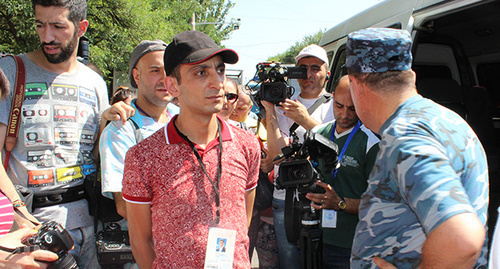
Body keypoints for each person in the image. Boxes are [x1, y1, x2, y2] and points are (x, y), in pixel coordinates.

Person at [0, 0, 134, 267]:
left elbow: (94, 157)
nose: (47, 36)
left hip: (91, 227)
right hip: (31, 229)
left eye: (58, 26)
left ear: (81, 27)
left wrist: (107, 123)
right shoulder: (10, 70)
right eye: (40, 25)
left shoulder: (95, 82)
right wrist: (20, 213)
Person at [346, 28, 488, 268]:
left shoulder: (405, 137)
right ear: (409, 75)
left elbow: (463, 239)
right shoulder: (448, 119)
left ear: (356, 85)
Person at [122, 30, 260, 268]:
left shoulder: (247, 145)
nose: (217, 82)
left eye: (220, 70)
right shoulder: (142, 157)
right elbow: (140, 240)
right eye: (200, 72)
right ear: (173, 86)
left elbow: (242, 221)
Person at [261, 44, 335, 269]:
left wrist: (306, 121)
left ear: (327, 74)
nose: (309, 75)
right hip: (286, 197)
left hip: (324, 197)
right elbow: (275, 155)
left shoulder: (337, 105)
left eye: (315, 68)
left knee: (325, 260)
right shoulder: (284, 105)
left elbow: (338, 148)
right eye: (303, 69)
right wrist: (270, 111)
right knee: (290, 262)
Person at [304, 75, 379, 268]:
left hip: (350, 245)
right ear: (332, 97)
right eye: (339, 106)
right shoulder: (316, 134)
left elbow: (379, 205)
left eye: (352, 108)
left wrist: (340, 203)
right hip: (311, 237)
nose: (344, 114)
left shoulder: (371, 143)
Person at [100, 39, 179, 219]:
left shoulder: (181, 118)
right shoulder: (121, 129)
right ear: (137, 76)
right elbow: (125, 206)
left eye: (169, 71)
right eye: (155, 70)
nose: (164, 78)